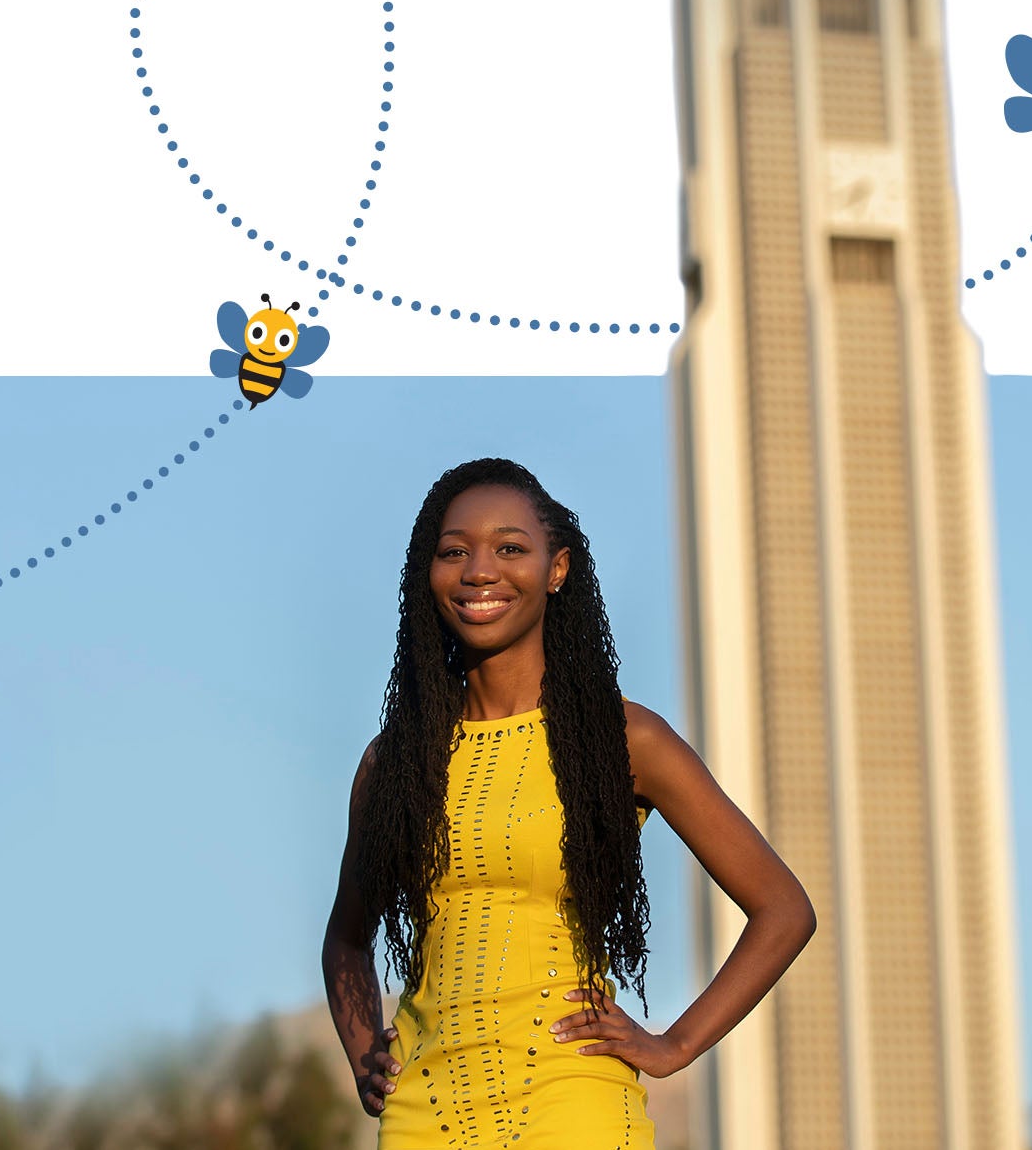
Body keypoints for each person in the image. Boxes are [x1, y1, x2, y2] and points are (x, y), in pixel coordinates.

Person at [322, 457, 816, 1148]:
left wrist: (675, 1044)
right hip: (421, 1116)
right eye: (454, 552)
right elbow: (346, 938)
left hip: (574, 1101)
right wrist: (364, 1057)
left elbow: (784, 909)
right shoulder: (392, 763)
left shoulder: (624, 739)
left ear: (557, 569)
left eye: (510, 549)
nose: (479, 571)